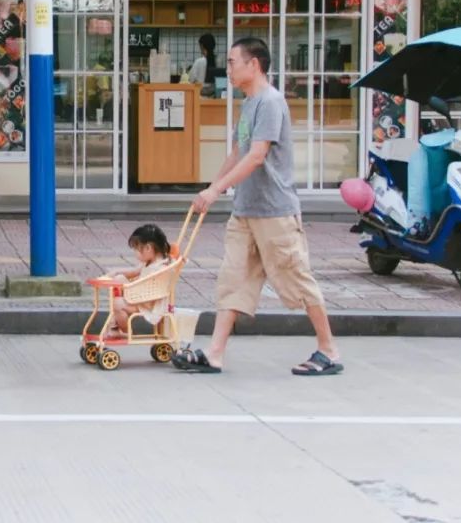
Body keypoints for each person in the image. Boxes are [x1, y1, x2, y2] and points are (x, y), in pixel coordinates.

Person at [177, 37, 343, 376]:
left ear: (254, 65)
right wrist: (212, 189)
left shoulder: (270, 102)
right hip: (245, 210)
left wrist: (217, 190)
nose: (229, 68)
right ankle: (215, 353)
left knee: (297, 279)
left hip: (275, 211)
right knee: (233, 280)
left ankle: (329, 351)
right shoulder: (249, 103)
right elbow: (238, 153)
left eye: (234, 61)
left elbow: (256, 156)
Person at [104, 224, 173, 338]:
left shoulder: (160, 268)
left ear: (148, 248)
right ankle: (114, 326)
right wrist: (116, 272)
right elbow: (133, 272)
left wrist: (128, 287)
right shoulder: (149, 262)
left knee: (117, 304)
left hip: (148, 302)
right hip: (139, 296)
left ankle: (125, 331)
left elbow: (153, 290)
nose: (135, 252)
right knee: (119, 279)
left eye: (136, 249)